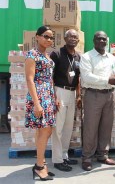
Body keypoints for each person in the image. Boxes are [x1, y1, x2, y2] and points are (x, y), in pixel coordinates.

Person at [79, 31, 115, 171]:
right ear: (93, 40)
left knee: (106, 127)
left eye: (104, 39)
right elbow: (86, 77)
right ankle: (87, 157)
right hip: (93, 95)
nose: (102, 41)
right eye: (99, 39)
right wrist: (106, 80)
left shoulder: (111, 58)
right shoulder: (87, 57)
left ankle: (103, 155)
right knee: (90, 127)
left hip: (109, 95)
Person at [25, 25, 56, 181]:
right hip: (39, 96)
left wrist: (54, 97)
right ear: (37, 37)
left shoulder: (47, 56)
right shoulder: (32, 54)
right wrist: (37, 104)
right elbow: (30, 79)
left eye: (51, 37)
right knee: (45, 130)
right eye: (45, 36)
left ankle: (42, 162)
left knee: (44, 130)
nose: (48, 39)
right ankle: (38, 166)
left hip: (48, 95)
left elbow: (50, 79)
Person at [50, 29, 81, 172]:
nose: (73, 39)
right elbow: (50, 76)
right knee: (58, 127)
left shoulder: (78, 57)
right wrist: (54, 96)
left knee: (68, 126)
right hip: (59, 91)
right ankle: (57, 160)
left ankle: (64, 155)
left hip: (72, 93)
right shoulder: (56, 54)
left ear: (78, 40)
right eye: (70, 36)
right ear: (65, 38)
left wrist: (79, 95)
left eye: (75, 37)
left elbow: (79, 78)